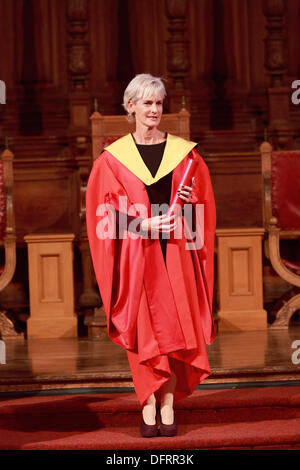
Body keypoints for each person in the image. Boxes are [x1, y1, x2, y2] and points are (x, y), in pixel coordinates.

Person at [86, 73, 216, 438]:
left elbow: (202, 212)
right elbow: (102, 216)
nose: (155, 110)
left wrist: (188, 208)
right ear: (131, 107)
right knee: (147, 333)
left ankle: (169, 402)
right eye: (147, 103)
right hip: (138, 256)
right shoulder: (112, 160)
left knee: (174, 329)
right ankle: (147, 401)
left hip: (174, 253)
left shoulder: (185, 155)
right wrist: (142, 225)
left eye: (159, 103)